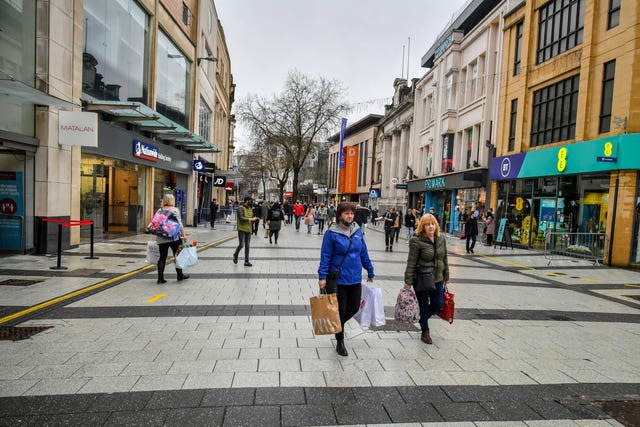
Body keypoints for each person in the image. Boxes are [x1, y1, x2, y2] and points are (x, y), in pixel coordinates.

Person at [318, 202, 375, 356]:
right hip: (338, 279)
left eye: (351, 213)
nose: (350, 216)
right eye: (346, 213)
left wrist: (370, 270)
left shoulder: (357, 231)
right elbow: (326, 256)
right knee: (341, 310)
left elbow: (363, 252)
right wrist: (322, 276)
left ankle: (337, 324)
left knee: (354, 308)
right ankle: (340, 341)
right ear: (339, 215)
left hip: (355, 278)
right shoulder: (331, 233)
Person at [403, 213, 449, 344]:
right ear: (422, 227)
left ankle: (422, 319)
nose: (431, 227)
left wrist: (447, 275)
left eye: (433, 224)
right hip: (422, 277)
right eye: (428, 224)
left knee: (438, 303)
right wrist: (408, 281)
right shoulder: (416, 241)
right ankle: (425, 332)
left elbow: (444, 258)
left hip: (438, 277)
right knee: (423, 305)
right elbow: (411, 261)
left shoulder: (441, 239)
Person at [155, 194, 189, 284]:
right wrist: (184, 235)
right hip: (174, 238)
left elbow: (156, 224)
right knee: (177, 256)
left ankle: (160, 278)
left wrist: (156, 237)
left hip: (161, 237)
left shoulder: (159, 210)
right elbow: (180, 224)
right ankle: (180, 275)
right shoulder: (174, 210)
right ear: (172, 201)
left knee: (162, 258)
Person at [233, 196, 260, 266]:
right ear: (246, 201)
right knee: (241, 245)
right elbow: (241, 218)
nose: (251, 203)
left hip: (248, 229)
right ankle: (235, 254)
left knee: (247, 246)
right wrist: (250, 219)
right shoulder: (240, 208)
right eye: (250, 201)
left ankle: (246, 261)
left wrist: (255, 219)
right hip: (242, 229)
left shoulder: (250, 209)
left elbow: (251, 218)